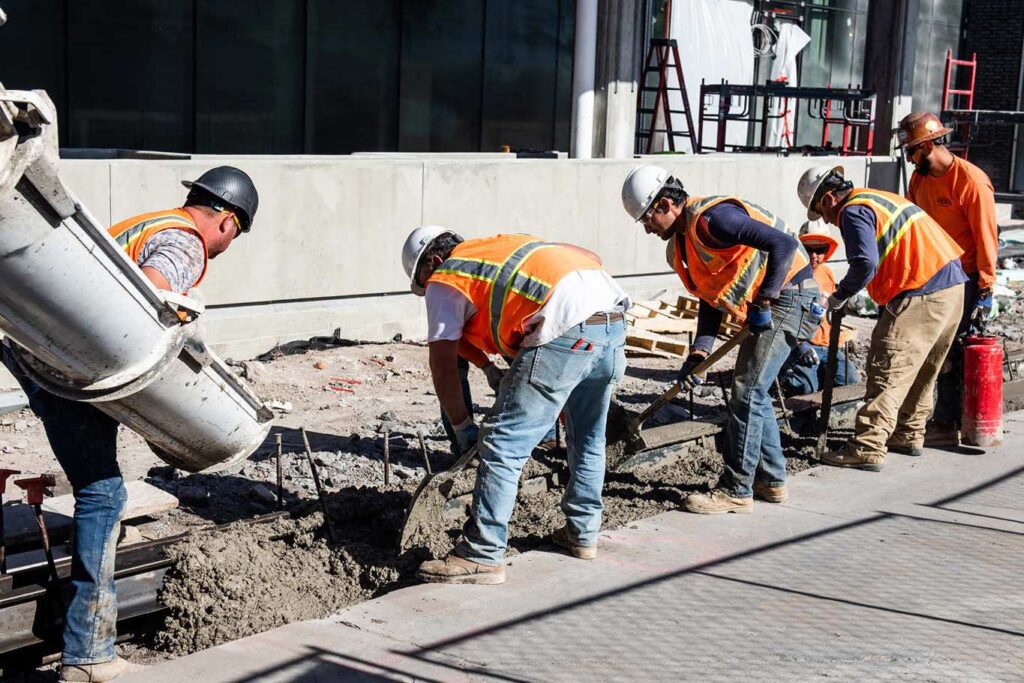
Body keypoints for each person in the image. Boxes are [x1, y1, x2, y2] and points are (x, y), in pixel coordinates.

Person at [1, 166, 258, 682]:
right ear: (227, 221)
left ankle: (87, 645)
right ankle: (89, 654)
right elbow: (147, 300)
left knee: (101, 487)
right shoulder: (186, 245)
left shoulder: (143, 222)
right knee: (103, 494)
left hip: (41, 358)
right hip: (78, 374)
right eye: (236, 236)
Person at [402, 226, 627, 584]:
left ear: (433, 261)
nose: (429, 291)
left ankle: (482, 553)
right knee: (586, 435)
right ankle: (582, 533)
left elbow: (442, 364)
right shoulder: (494, 248)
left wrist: (463, 430)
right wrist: (489, 368)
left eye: (424, 282)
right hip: (611, 323)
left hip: (566, 328)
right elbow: (582, 254)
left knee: (502, 440)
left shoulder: (446, 276)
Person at [621, 166, 822, 514]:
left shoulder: (714, 219)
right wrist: (700, 352)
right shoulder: (684, 246)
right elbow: (710, 299)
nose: (647, 228)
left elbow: (784, 243)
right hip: (779, 301)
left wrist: (764, 299)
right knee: (753, 392)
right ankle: (772, 481)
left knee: (748, 390)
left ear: (666, 204)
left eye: (647, 219)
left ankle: (736, 489)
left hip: (792, 297)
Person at [796, 165, 966, 470]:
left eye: (822, 213)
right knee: (924, 367)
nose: (827, 222)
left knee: (889, 365)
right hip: (951, 287)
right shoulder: (877, 198)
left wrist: (839, 296)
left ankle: (867, 446)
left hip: (921, 289)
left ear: (828, 199)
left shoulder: (852, 210)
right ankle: (908, 432)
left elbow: (864, 262)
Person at [898, 111, 999, 446]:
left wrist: (985, 286)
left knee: (954, 351)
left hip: (966, 276)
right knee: (930, 348)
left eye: (912, 151)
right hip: (934, 274)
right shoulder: (920, 180)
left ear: (927, 146)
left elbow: (986, 237)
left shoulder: (970, 181)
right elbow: (913, 226)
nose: (910, 160)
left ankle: (946, 423)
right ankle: (927, 418)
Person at [777, 223, 860, 396]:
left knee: (849, 380)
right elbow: (780, 317)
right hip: (799, 345)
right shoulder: (789, 274)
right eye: (809, 249)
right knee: (805, 388)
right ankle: (783, 375)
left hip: (827, 345)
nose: (814, 256)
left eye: (820, 249)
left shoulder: (826, 272)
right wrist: (800, 345)